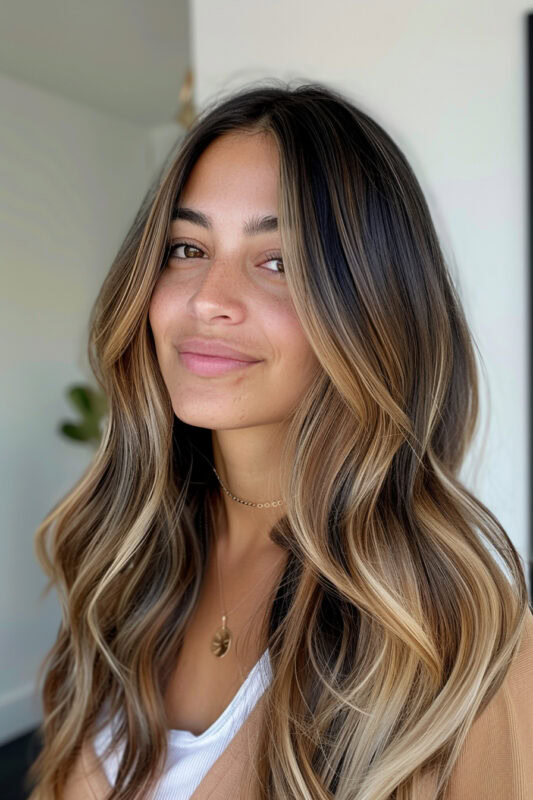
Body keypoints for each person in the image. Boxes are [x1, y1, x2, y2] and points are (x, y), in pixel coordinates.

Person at [28, 80, 533, 800]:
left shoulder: (457, 643)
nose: (206, 298)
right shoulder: (119, 555)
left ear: (371, 309)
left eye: (278, 263)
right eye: (184, 246)